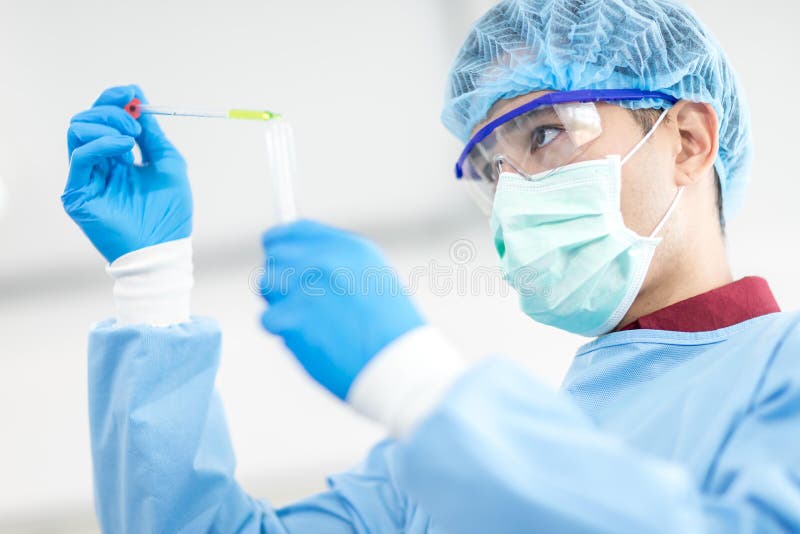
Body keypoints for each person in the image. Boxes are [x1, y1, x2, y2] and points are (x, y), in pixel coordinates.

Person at [62, 0, 800, 532]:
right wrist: (151, 282)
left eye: (545, 133)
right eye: (492, 169)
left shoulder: (781, 374)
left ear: (691, 141)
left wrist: (416, 385)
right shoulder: (429, 473)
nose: (513, 197)